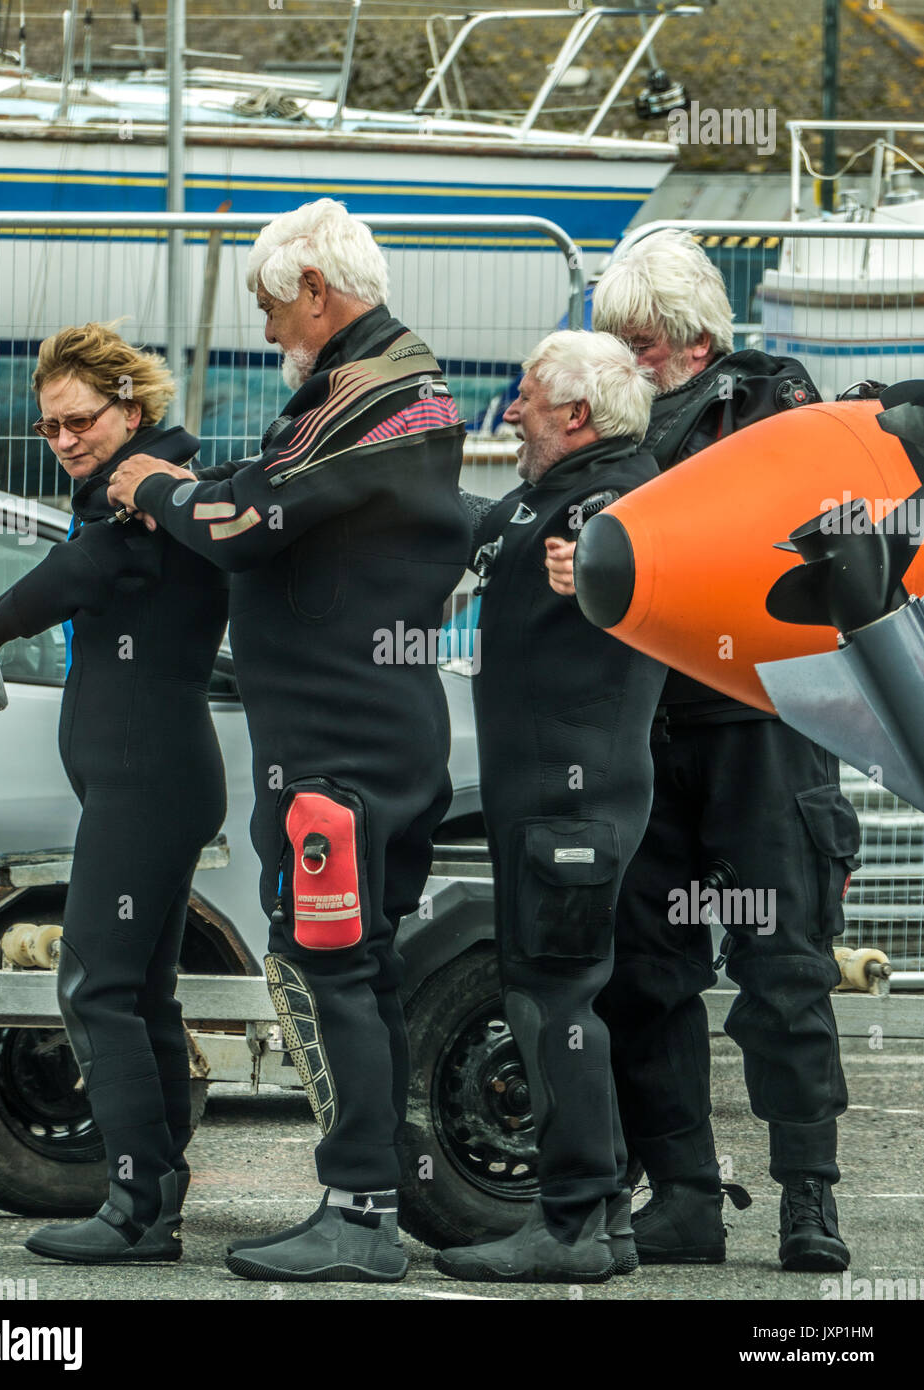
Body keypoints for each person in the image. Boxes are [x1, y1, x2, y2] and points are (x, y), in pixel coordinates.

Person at [107, 198, 471, 1283]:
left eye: (272, 307)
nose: (268, 332)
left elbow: (245, 519)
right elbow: (275, 498)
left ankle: (358, 1211)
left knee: (323, 967)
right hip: (379, 730)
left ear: (317, 290)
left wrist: (152, 483)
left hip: (338, 748)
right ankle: (371, 1194)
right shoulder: (405, 387)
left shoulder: (370, 392)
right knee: (364, 966)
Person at [545, 229, 858, 1272]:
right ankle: (685, 1194)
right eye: (620, 340)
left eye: (636, 339)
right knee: (644, 968)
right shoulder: (623, 423)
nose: (627, 358)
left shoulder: (778, 407)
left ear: (682, 337)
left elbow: (818, 545)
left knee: (785, 971)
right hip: (653, 730)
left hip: (766, 731)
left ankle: (808, 1201)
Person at [0, 323, 227, 1263]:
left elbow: (83, 573)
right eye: (48, 429)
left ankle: (138, 1206)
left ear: (130, 410)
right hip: (139, 780)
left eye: (79, 422)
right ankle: (155, 1198)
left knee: (96, 983)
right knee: (137, 992)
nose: (64, 441)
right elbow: (79, 577)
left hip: (149, 781)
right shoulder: (118, 494)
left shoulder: (150, 492)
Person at [433, 331, 666, 1283]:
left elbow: (644, 558)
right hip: (549, 802)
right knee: (555, 998)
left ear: (576, 413)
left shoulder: (619, 502)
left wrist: (606, 568)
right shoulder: (551, 497)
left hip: (574, 804)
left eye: (527, 396)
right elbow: (483, 526)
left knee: (551, 1003)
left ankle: (566, 1224)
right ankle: (601, 1217)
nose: (511, 411)